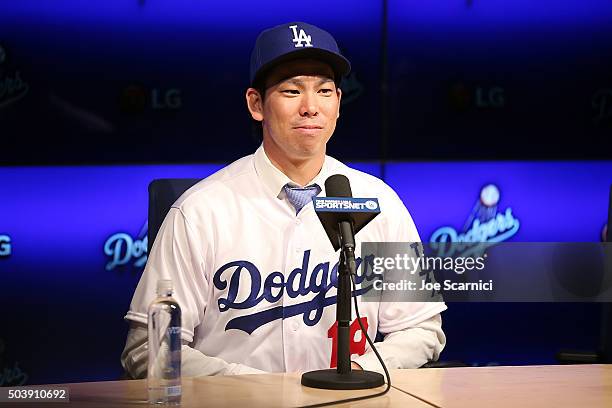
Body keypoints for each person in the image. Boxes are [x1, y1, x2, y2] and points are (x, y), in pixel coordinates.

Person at [121, 21, 446, 378]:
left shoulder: (380, 201)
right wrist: (258, 389)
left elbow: (420, 329)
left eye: (324, 91)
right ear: (256, 104)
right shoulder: (201, 210)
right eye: (292, 91)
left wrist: (356, 370)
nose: (311, 107)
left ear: (338, 103)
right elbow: (149, 348)